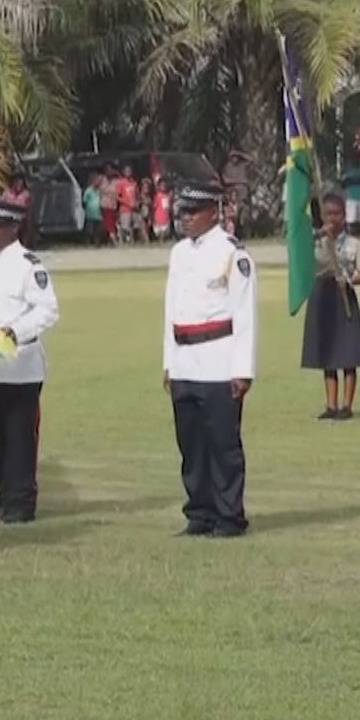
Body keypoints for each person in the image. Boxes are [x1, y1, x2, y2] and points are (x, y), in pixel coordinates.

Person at [163, 182, 256, 537]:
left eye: (192, 211)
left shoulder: (232, 253)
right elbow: (171, 310)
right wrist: (169, 362)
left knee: (222, 445)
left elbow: (243, 313)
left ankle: (229, 515)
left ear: (213, 212)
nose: (185, 218)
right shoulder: (179, 254)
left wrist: (242, 369)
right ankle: (199, 511)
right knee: (191, 444)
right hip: (186, 360)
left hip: (219, 360)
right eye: (182, 211)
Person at [0, 199, 61, 524]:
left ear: (13, 228)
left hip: (20, 366)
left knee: (20, 439)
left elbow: (47, 311)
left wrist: (15, 331)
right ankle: (5, 498)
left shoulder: (28, 266)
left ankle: (21, 502)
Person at [302, 194, 360, 420]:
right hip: (322, 295)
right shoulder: (316, 241)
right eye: (328, 214)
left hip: (343, 297)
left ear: (344, 215)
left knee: (347, 354)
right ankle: (330, 405)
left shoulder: (353, 244)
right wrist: (319, 236)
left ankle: (346, 405)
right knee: (328, 354)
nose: (333, 218)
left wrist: (349, 280)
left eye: (337, 214)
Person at [115, 164, 141, 245]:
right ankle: (123, 242)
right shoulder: (121, 183)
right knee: (125, 227)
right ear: (123, 172)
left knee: (136, 226)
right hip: (125, 209)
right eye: (127, 171)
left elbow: (137, 195)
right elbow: (117, 197)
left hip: (134, 209)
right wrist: (127, 203)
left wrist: (137, 203)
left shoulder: (134, 183)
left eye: (130, 171)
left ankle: (133, 241)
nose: (128, 172)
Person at [98, 165, 119, 244]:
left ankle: (106, 241)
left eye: (111, 170)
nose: (109, 172)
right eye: (107, 170)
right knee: (109, 224)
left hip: (113, 205)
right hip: (105, 205)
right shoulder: (102, 179)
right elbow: (94, 185)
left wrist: (116, 173)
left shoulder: (115, 181)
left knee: (110, 224)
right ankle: (114, 241)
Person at [81, 172, 104, 246]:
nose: (98, 182)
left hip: (99, 214)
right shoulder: (88, 190)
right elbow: (84, 202)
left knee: (98, 231)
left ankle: (97, 244)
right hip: (90, 214)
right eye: (96, 180)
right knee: (89, 230)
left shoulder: (100, 191)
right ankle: (88, 243)